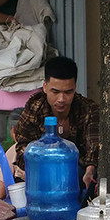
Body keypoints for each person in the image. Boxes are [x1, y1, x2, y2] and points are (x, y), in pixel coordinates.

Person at [11, 56, 99, 196]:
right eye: (55, 92)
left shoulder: (88, 109)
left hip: (76, 172)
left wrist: (89, 172)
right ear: (45, 87)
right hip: (41, 170)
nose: (61, 99)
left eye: (68, 92)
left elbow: (93, 148)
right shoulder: (35, 107)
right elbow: (23, 143)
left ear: (75, 88)